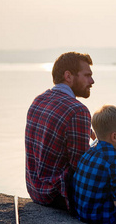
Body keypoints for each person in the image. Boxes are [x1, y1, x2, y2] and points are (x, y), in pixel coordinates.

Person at [25, 52, 95, 211]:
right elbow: (82, 167)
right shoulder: (78, 111)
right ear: (68, 76)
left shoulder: (39, 99)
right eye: (87, 75)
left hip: (35, 190)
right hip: (57, 196)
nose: (92, 81)